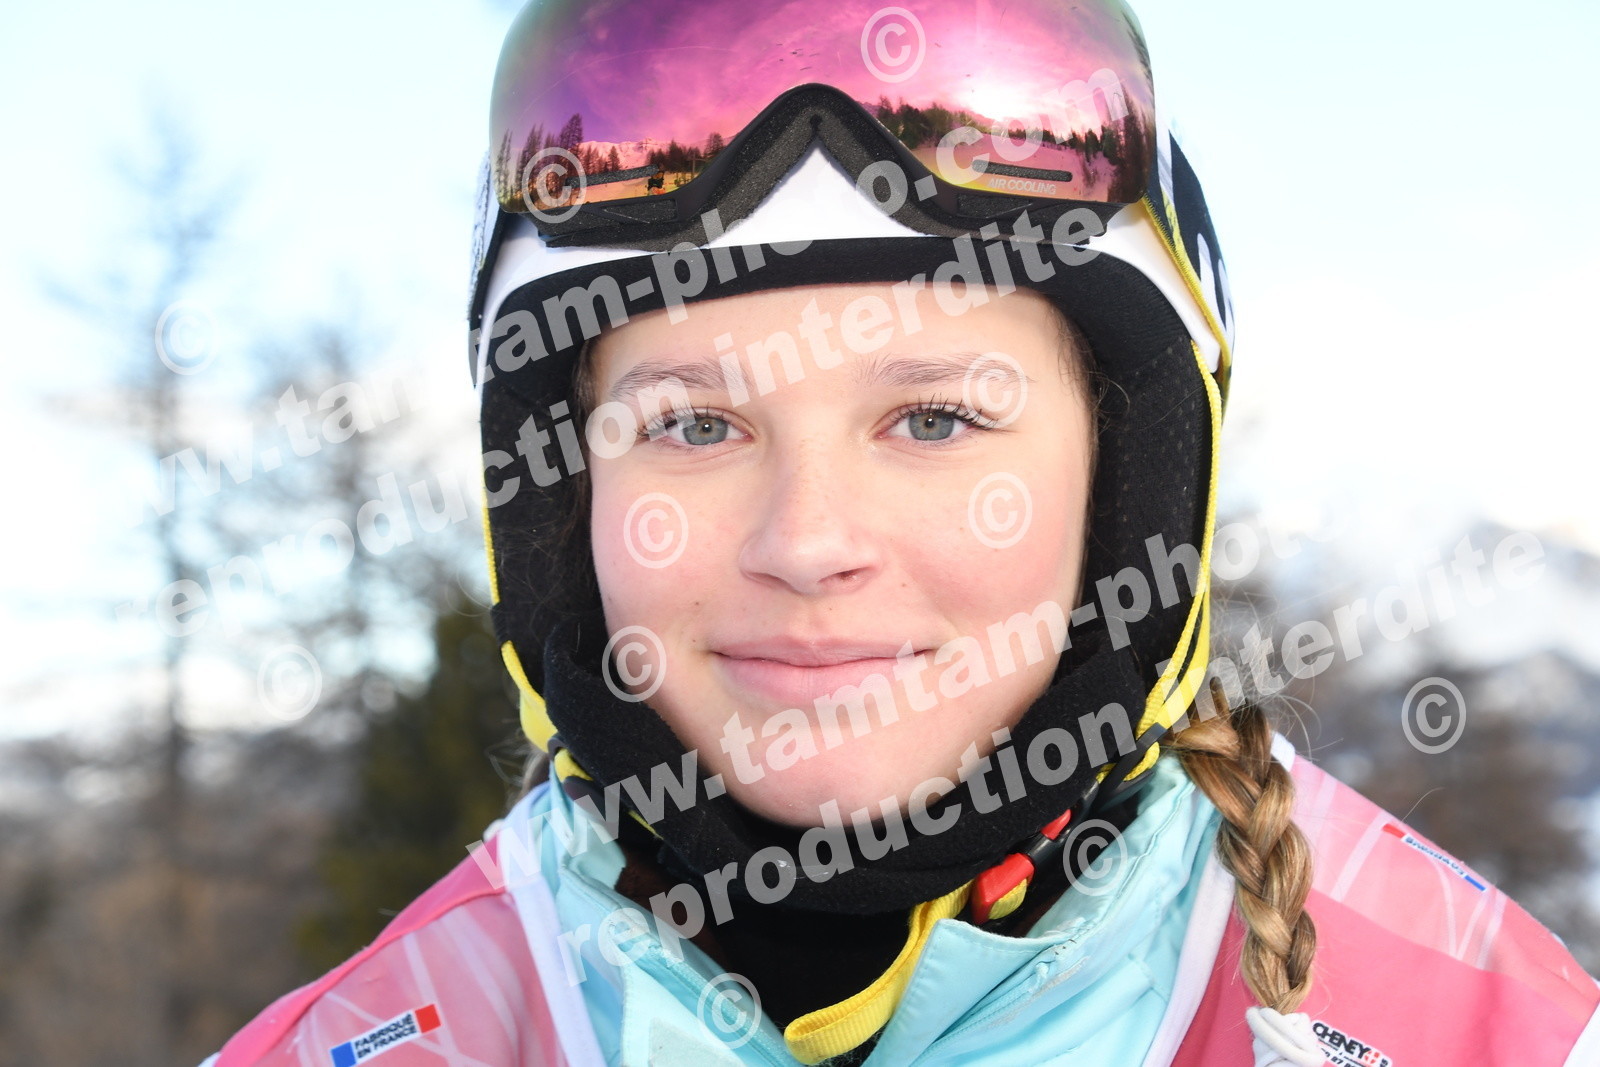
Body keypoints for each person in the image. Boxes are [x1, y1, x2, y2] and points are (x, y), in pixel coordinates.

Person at [203, 1, 1600, 1064]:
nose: (810, 543)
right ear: (563, 506)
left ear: (1127, 478)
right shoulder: (383, 1038)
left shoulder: (1493, 1033)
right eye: (692, 427)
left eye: (933, 420)